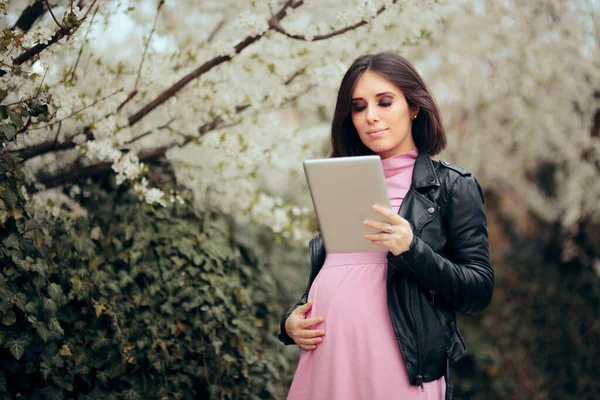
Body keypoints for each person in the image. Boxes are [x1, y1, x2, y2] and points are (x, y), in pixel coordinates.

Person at [278, 52, 494, 400]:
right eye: (359, 107)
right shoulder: (341, 182)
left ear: (413, 106)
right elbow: (342, 269)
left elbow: (478, 290)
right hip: (328, 362)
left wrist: (413, 250)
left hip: (399, 368)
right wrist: (291, 321)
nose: (371, 117)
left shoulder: (453, 186)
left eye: (384, 102)